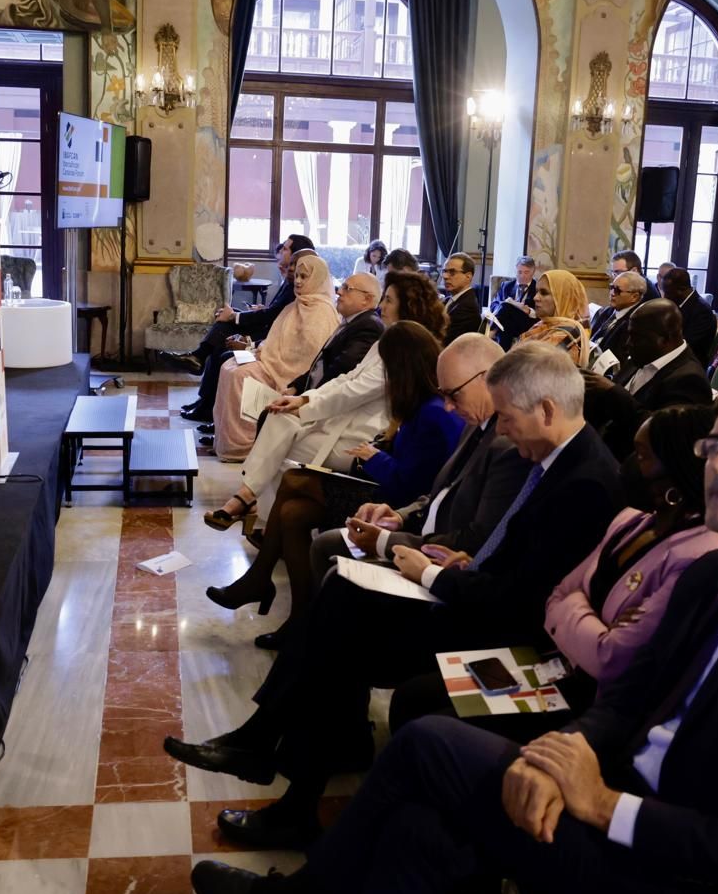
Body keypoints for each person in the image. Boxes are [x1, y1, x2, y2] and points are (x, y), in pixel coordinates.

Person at [189, 384, 718, 894]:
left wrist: (604, 805)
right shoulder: (709, 575)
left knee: (429, 742)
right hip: (625, 808)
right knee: (418, 827)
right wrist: (562, 755)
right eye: (713, 446)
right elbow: (627, 703)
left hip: (707, 892)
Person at [167, 342, 623, 849]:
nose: (505, 428)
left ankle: (273, 760)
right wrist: (464, 560)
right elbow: (509, 553)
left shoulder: (583, 480)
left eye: (510, 417)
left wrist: (433, 574)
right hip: (478, 598)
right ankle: (284, 768)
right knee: (342, 598)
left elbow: (520, 604)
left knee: (345, 621)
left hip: (511, 642)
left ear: (546, 410)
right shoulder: (554, 457)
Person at [386, 404, 718, 743]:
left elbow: (611, 657)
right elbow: (559, 593)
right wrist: (593, 620)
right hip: (554, 663)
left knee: (428, 724)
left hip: (590, 702)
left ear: (678, 465)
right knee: (414, 696)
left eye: (641, 455)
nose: (627, 466)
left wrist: (577, 608)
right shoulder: (632, 521)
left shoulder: (697, 552)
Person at [204, 321, 463, 644]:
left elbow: (409, 485)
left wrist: (374, 456)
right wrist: (381, 449)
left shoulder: (435, 412)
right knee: (292, 513)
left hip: (393, 504)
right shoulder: (418, 406)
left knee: (296, 480)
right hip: (383, 488)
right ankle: (298, 619)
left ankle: (263, 583)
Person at [204, 272, 447, 531]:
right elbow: (348, 378)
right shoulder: (386, 337)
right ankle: (257, 510)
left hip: (366, 431)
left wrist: (305, 403)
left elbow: (357, 390)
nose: (381, 305)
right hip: (346, 418)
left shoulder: (406, 344)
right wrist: (303, 399)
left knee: (281, 448)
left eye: (388, 300)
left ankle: (256, 510)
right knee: (280, 421)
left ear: (407, 305)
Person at [309, 334, 532, 591]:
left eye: (454, 394)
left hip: (442, 559)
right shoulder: (475, 424)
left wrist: (387, 541)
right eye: (444, 395)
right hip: (422, 536)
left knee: (332, 562)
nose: (448, 406)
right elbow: (442, 493)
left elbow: (476, 539)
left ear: (487, 377)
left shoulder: (508, 444)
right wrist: (400, 517)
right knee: (324, 543)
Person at [206, 253, 341, 460]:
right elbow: (277, 340)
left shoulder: (322, 311)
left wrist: (267, 357)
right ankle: (225, 440)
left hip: (290, 373)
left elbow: (309, 357)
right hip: (273, 362)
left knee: (239, 375)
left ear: (317, 279)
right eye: (296, 275)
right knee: (230, 366)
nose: (297, 281)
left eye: (304, 277)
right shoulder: (296, 304)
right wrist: (256, 349)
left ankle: (244, 444)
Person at [173, 236, 316, 415]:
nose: (280, 252)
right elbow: (277, 312)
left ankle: (200, 366)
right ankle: (205, 400)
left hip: (270, 339)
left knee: (222, 339)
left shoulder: (303, 285)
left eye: (285, 249)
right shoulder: (290, 277)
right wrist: (257, 310)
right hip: (269, 331)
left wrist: (243, 333)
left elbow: (277, 319)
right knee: (223, 333)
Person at [583, 299, 713, 460]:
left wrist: (614, 393)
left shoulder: (689, 379)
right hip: (600, 445)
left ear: (665, 339)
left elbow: (664, 435)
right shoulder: (643, 355)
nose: (628, 343)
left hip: (632, 463)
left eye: (636, 337)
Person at [279, 272, 383, 400]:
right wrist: (295, 388)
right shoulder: (352, 321)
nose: (339, 291)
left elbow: (340, 372)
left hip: (322, 403)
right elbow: (322, 364)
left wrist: (304, 400)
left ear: (366, 299)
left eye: (347, 288)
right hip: (312, 395)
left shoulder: (368, 326)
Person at [515, 269, 591, 363]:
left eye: (544, 293)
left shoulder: (566, 334)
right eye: (537, 292)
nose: (535, 298)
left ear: (563, 297)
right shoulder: (545, 324)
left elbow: (527, 370)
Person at [658, 266, 716, 367]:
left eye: (667, 292)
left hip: (688, 364)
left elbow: (687, 344)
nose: (664, 297)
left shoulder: (702, 311)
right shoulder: (682, 303)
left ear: (681, 290)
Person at [590, 270, 648, 366]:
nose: (612, 293)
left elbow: (619, 358)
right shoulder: (607, 311)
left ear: (634, 296)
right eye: (611, 287)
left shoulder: (637, 323)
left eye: (617, 290)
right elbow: (593, 338)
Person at [489, 256, 539, 347]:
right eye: (519, 272)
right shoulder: (506, 285)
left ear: (533, 272)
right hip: (507, 323)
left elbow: (541, 313)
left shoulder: (537, 288)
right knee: (506, 310)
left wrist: (528, 311)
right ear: (515, 271)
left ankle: (491, 332)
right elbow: (494, 304)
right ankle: (503, 353)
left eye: (526, 272)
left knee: (506, 308)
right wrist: (506, 305)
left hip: (526, 324)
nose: (522, 275)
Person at [439, 252, 482, 344]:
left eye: (452, 272)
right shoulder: (450, 299)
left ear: (468, 276)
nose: (445, 276)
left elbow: (446, 342)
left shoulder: (467, 307)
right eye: (444, 271)